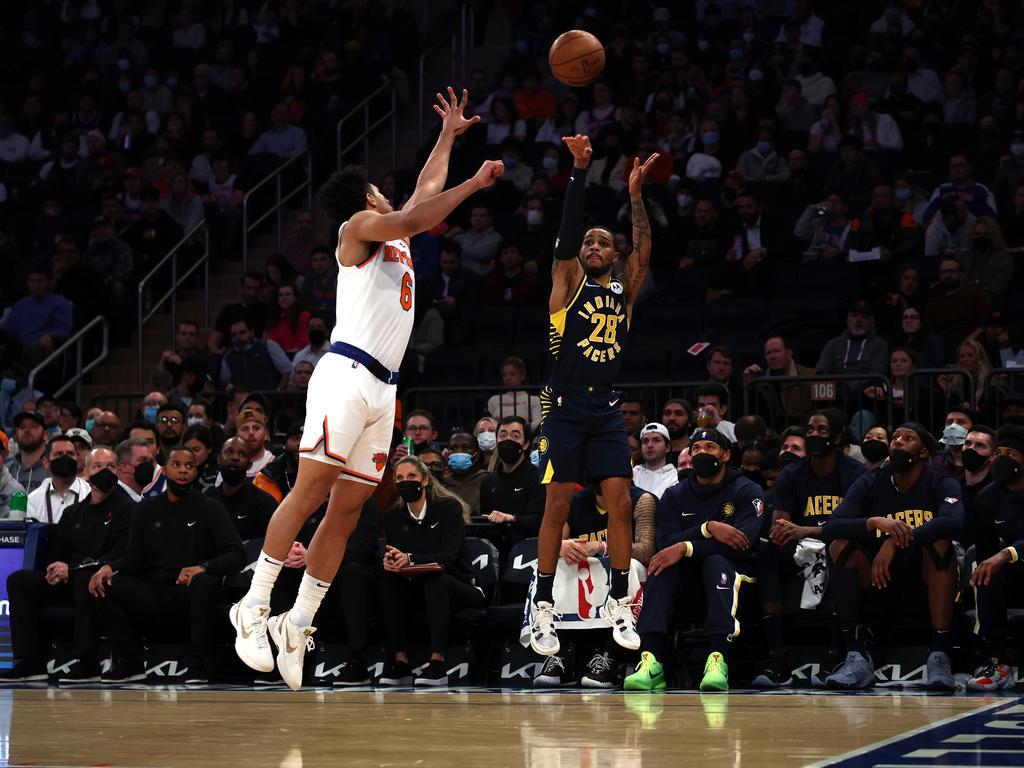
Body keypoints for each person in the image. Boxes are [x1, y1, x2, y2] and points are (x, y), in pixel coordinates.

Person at [230, 87, 502, 690]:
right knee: (308, 493)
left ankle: (296, 623)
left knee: (347, 511)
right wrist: (476, 185)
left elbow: (423, 196)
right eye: (380, 188)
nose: (388, 190)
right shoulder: (359, 227)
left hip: (384, 389)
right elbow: (417, 212)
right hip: (346, 375)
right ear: (366, 199)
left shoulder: (395, 235)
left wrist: (449, 137)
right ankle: (252, 605)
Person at [528, 133, 658, 659]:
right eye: (590, 243)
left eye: (604, 242)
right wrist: (580, 171)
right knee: (557, 504)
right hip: (562, 405)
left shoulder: (623, 293)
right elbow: (564, 237)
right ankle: (540, 607)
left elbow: (644, 248)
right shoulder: (566, 283)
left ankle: (620, 602)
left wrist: (634, 195)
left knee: (621, 501)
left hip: (605, 406)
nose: (595, 247)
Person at [817, 424, 963, 691]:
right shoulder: (870, 482)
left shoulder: (941, 482)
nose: (898, 442)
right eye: (895, 437)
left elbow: (954, 521)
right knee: (839, 545)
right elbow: (830, 527)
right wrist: (872, 522)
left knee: (940, 544)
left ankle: (940, 654)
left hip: (921, 586)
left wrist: (895, 541)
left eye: (908, 439)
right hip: (876, 581)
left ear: (923, 453)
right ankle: (857, 655)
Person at [89, 447, 246, 684]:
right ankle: (129, 662)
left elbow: (237, 554)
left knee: (204, 583)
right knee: (106, 584)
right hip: (153, 589)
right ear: (164, 470)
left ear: (195, 472)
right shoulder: (146, 509)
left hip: (189, 591)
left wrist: (203, 567)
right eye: (176, 464)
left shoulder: (210, 508)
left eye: (189, 466)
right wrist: (109, 567)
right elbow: (133, 559)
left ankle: (198, 666)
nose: (183, 470)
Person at [625, 428, 764, 692]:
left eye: (709, 448)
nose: (701, 453)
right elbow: (666, 544)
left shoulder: (747, 489)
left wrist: (686, 547)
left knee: (715, 561)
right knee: (661, 565)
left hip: (739, 581)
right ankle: (651, 660)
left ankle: (717, 658)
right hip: (690, 587)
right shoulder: (675, 494)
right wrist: (707, 528)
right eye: (696, 448)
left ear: (725, 455)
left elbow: (742, 544)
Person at [3, 447, 133, 682]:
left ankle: (87, 662)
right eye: (98, 467)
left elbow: (121, 553)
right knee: (19, 580)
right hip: (68, 581)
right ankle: (30, 661)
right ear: (85, 472)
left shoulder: (127, 509)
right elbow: (57, 554)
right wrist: (55, 570)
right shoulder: (73, 513)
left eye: (110, 467)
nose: (105, 472)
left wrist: (71, 570)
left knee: (87, 578)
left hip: (102, 581)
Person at [762, 410, 869, 686]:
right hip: (802, 548)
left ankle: (837, 656)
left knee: (838, 548)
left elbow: (860, 525)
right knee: (766, 552)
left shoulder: (856, 473)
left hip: (839, 544)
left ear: (837, 438)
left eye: (822, 431)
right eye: (810, 429)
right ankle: (777, 656)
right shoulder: (792, 473)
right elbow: (780, 525)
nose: (814, 435)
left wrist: (809, 531)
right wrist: (789, 532)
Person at [534, 482, 658, 689]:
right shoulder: (575, 499)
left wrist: (602, 547)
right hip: (586, 574)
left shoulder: (641, 500)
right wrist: (560, 546)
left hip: (632, 575)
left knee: (630, 567)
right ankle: (561, 656)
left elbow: (647, 551)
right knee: (553, 566)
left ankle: (610, 658)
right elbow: (554, 537)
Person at [377, 456, 486, 687]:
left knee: (436, 579)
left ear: (425, 480)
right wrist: (393, 562)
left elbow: (448, 558)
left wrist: (411, 560)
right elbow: (398, 555)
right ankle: (401, 663)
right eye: (399, 477)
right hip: (417, 584)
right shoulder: (392, 516)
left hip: (460, 586)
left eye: (411, 476)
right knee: (388, 580)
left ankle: (437, 663)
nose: (405, 481)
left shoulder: (448, 508)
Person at [966, 425, 1024, 690]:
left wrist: (1004, 555)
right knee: (985, 571)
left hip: (1015, 559)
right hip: (1011, 575)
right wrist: (991, 561)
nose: (1002, 459)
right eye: (998, 452)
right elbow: (984, 546)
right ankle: (999, 664)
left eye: (1010, 453)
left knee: (994, 564)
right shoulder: (987, 496)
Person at [481, 416, 543, 538]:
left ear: (525, 444)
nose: (508, 440)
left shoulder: (537, 478)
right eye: (503, 435)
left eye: (515, 436)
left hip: (528, 548)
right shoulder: (488, 481)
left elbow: (539, 521)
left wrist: (512, 518)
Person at [206, 437, 277, 541]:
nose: (235, 457)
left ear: (249, 465)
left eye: (242, 454)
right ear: (219, 459)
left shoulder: (264, 504)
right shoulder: (207, 500)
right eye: (229, 452)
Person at [26, 434, 91, 524]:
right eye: (59, 454)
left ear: (77, 459)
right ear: (46, 462)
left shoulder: (90, 494)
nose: (65, 458)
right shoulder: (33, 500)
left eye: (70, 454)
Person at [220, 318, 293, 392]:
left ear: (251, 332)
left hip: (268, 397)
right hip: (242, 399)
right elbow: (225, 379)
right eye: (234, 335)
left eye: (242, 332)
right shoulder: (228, 355)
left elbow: (287, 371)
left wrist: (278, 391)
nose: (238, 337)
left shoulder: (268, 346)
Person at [486, 356, 542, 433]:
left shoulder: (534, 400)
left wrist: (515, 431)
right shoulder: (494, 400)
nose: (507, 378)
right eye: (504, 375)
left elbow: (536, 424)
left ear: (522, 376)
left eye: (512, 374)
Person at [442, 431, 486, 517]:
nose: (459, 452)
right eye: (453, 448)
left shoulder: (486, 481)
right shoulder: (442, 484)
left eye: (465, 448)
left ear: (476, 455)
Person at [632, 423, 678, 499]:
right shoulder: (632, 474)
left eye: (656, 440)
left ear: (667, 447)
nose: (649, 445)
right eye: (645, 441)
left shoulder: (676, 476)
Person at [9, 411, 48, 492]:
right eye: (22, 427)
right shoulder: (7, 470)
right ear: (16, 436)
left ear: (45, 434)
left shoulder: (53, 470)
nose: (27, 430)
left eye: (34, 426)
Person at [662, 398, 692, 466]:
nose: (671, 418)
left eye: (679, 414)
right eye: (667, 413)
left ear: (689, 421)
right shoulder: (656, 453)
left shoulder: (695, 451)